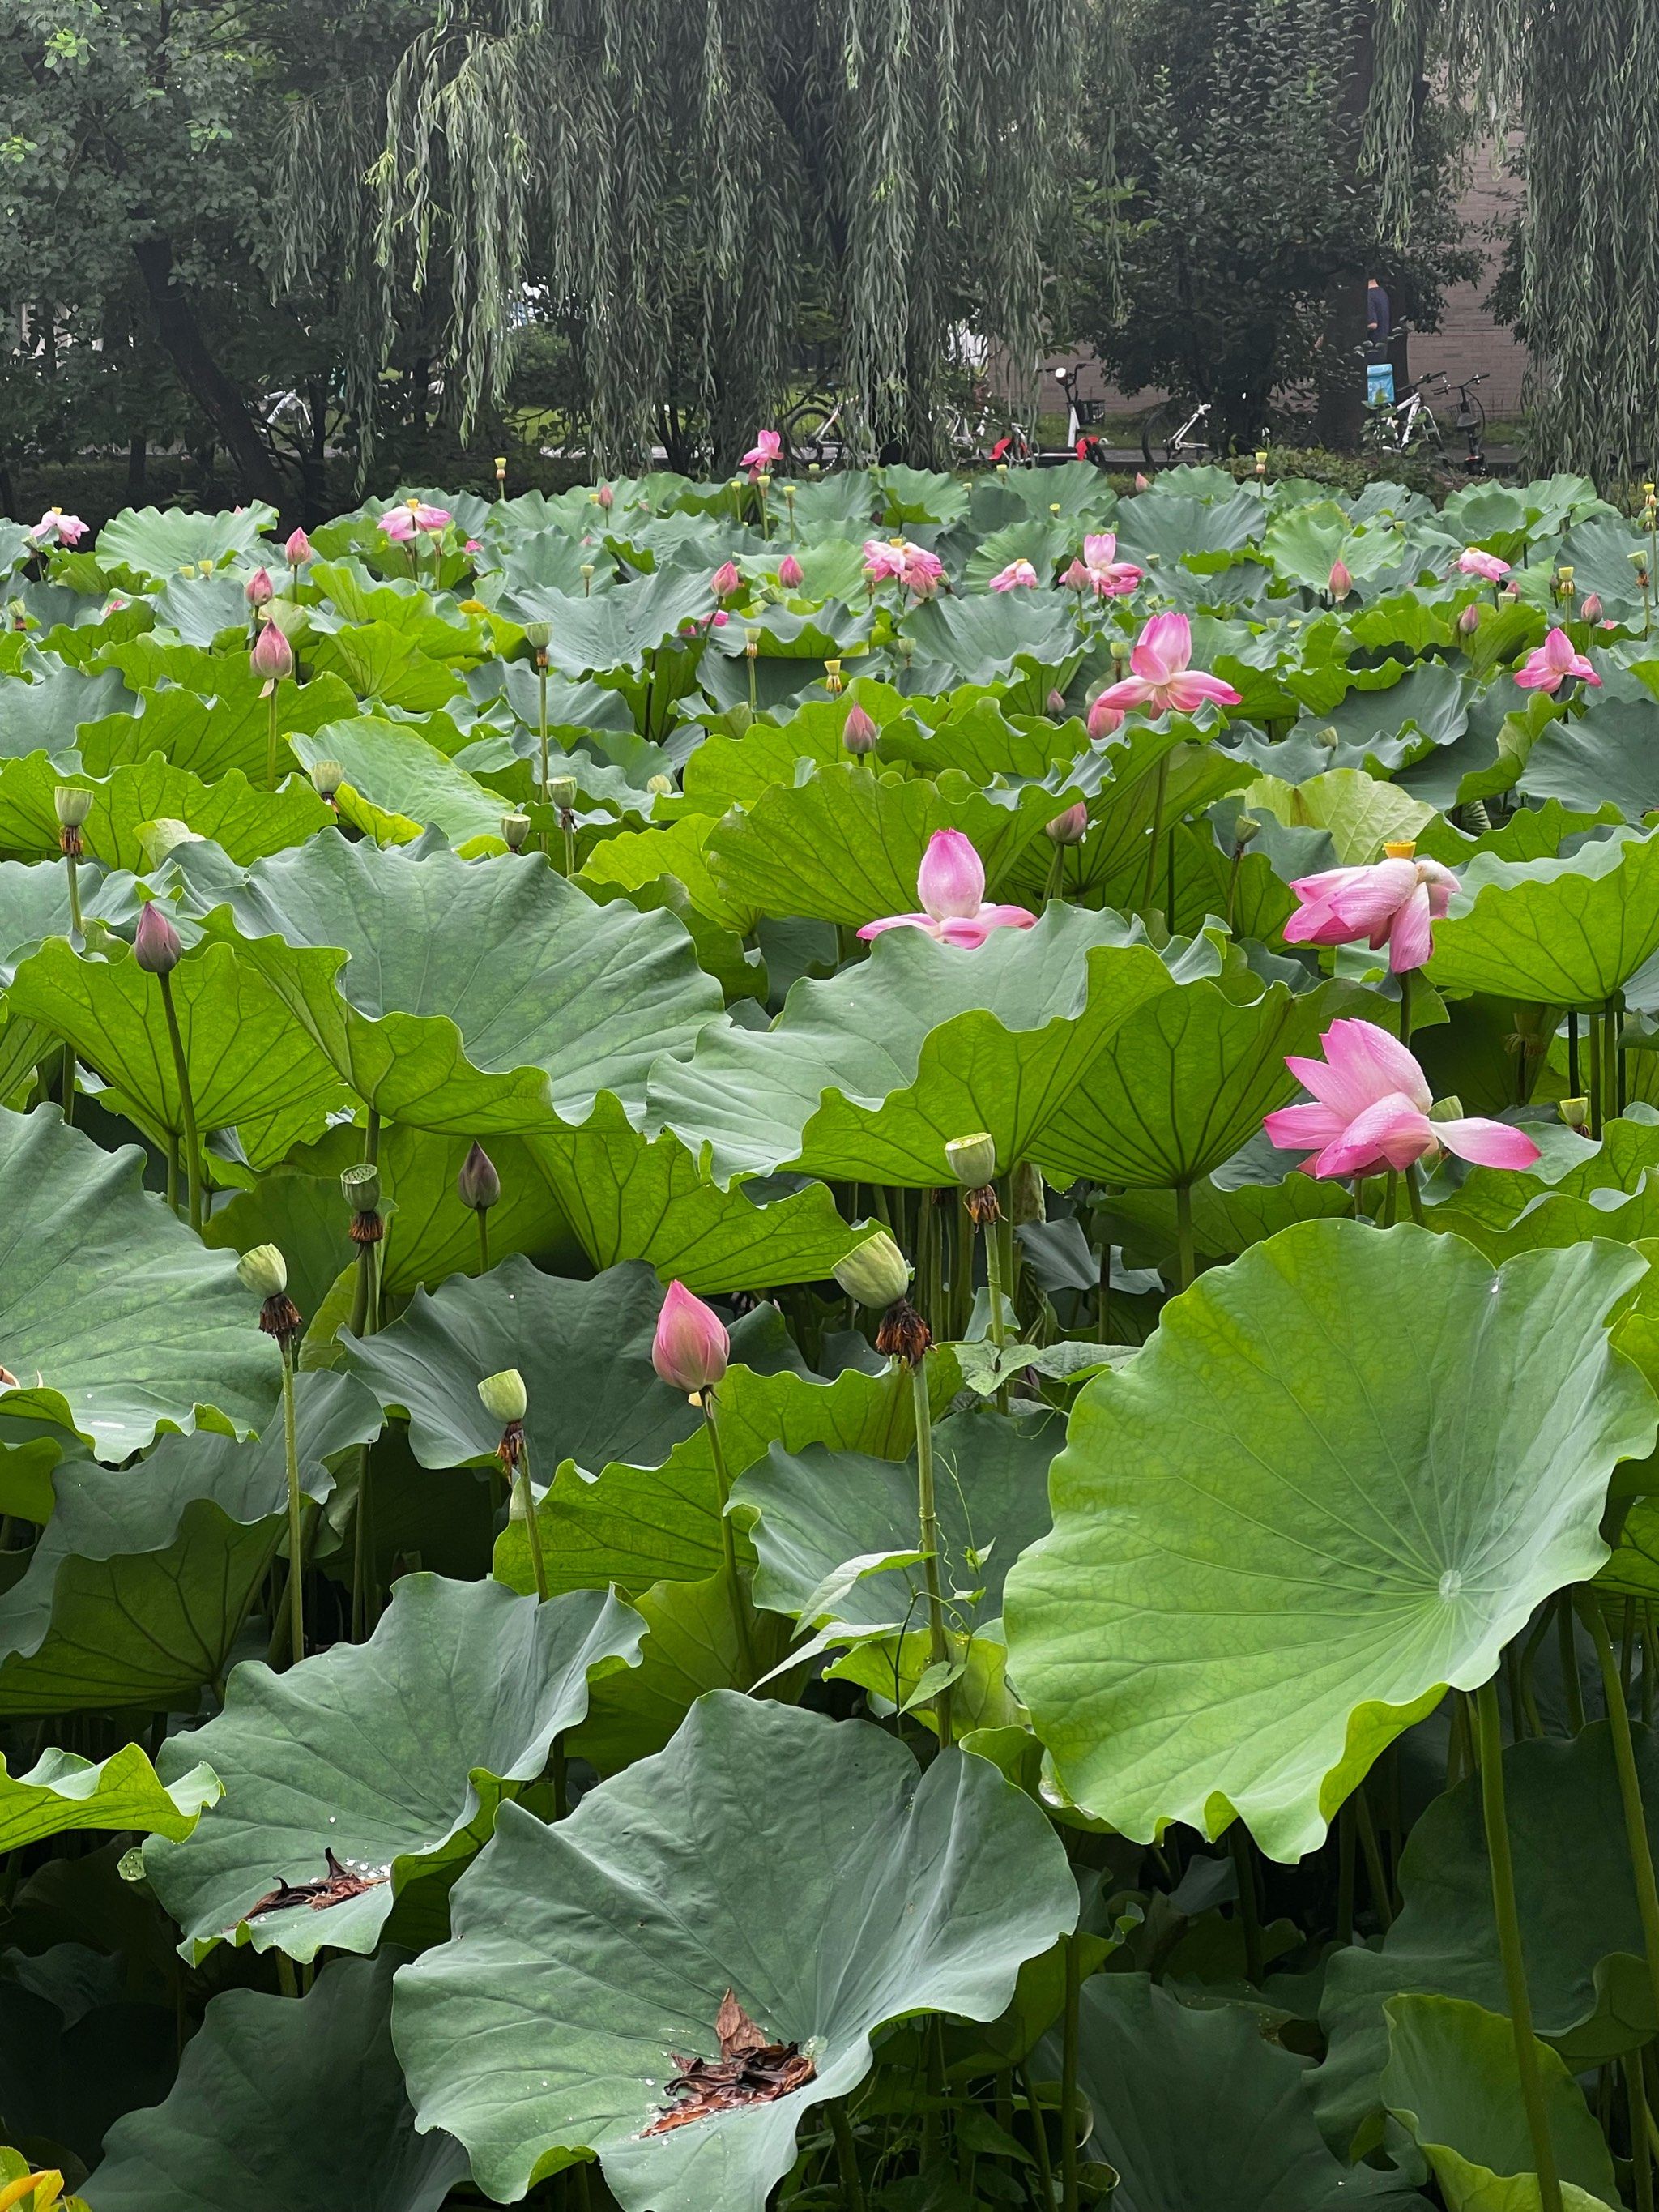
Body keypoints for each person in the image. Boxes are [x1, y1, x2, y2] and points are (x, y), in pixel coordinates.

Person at [1366, 275, 1392, 359]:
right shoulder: (1382, 293)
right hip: (1382, 350)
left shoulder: (1369, 295)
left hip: (1370, 350)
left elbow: (1372, 324)